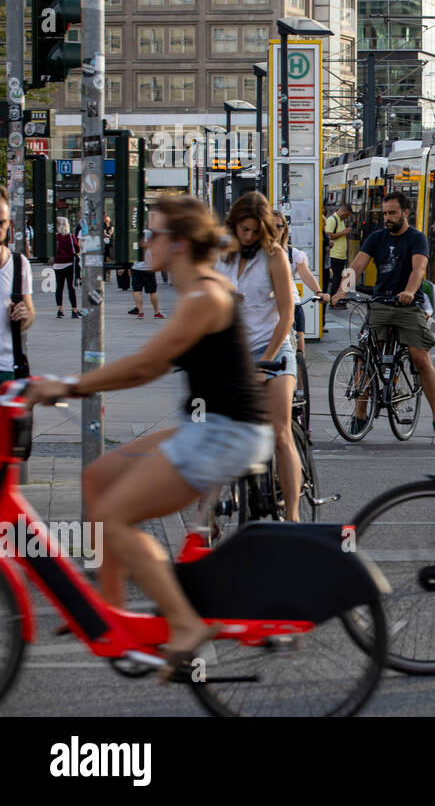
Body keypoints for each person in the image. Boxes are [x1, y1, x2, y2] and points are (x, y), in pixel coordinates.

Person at [28, 196, 273, 680]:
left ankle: (184, 624)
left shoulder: (205, 296)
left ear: (178, 243)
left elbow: (146, 365)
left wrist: (68, 385)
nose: (145, 242)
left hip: (225, 436)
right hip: (206, 427)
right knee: (99, 479)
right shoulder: (197, 291)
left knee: (116, 515)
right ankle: (107, 611)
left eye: (153, 233)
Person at [331, 190, 435, 444]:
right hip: (381, 305)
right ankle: (360, 416)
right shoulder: (376, 238)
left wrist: (409, 291)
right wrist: (341, 291)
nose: (387, 218)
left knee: (420, 356)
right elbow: (357, 266)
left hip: (409, 306)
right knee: (364, 359)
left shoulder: (417, 239)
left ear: (405, 212)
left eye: (392, 213)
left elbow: (419, 269)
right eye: (385, 213)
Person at [214, 192, 303, 520]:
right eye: (242, 229)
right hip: (235, 351)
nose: (247, 236)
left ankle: (293, 516)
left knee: (280, 431)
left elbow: (287, 316)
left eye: (253, 230)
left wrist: (266, 363)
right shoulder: (222, 254)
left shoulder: (275, 256)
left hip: (274, 347)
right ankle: (207, 516)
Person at [272, 210, 329, 355]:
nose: (274, 230)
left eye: (278, 226)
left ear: (284, 229)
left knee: (300, 344)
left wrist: (319, 292)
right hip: (270, 307)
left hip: (293, 303)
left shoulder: (292, 254)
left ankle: (300, 371)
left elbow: (306, 275)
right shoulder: (259, 254)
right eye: (269, 226)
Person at [0, 195, 35, 382]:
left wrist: (24, 315)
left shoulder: (19, 263)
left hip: (8, 370)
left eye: (1, 222)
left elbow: (30, 314)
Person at [130, 230, 164, 319]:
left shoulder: (133, 234)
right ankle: (156, 312)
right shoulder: (150, 234)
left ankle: (140, 312)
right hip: (149, 268)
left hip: (136, 267)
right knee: (152, 291)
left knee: (137, 291)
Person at [324, 203, 353, 306]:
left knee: (339, 278)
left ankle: (336, 299)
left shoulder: (340, 220)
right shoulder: (332, 220)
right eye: (346, 215)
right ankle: (334, 301)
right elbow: (328, 236)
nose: (346, 217)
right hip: (334, 255)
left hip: (340, 255)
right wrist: (343, 232)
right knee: (336, 279)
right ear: (342, 211)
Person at [52, 217, 81, 319]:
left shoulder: (55, 237)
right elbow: (77, 249)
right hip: (69, 264)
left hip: (57, 265)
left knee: (59, 288)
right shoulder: (70, 236)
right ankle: (74, 310)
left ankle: (59, 310)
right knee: (71, 288)